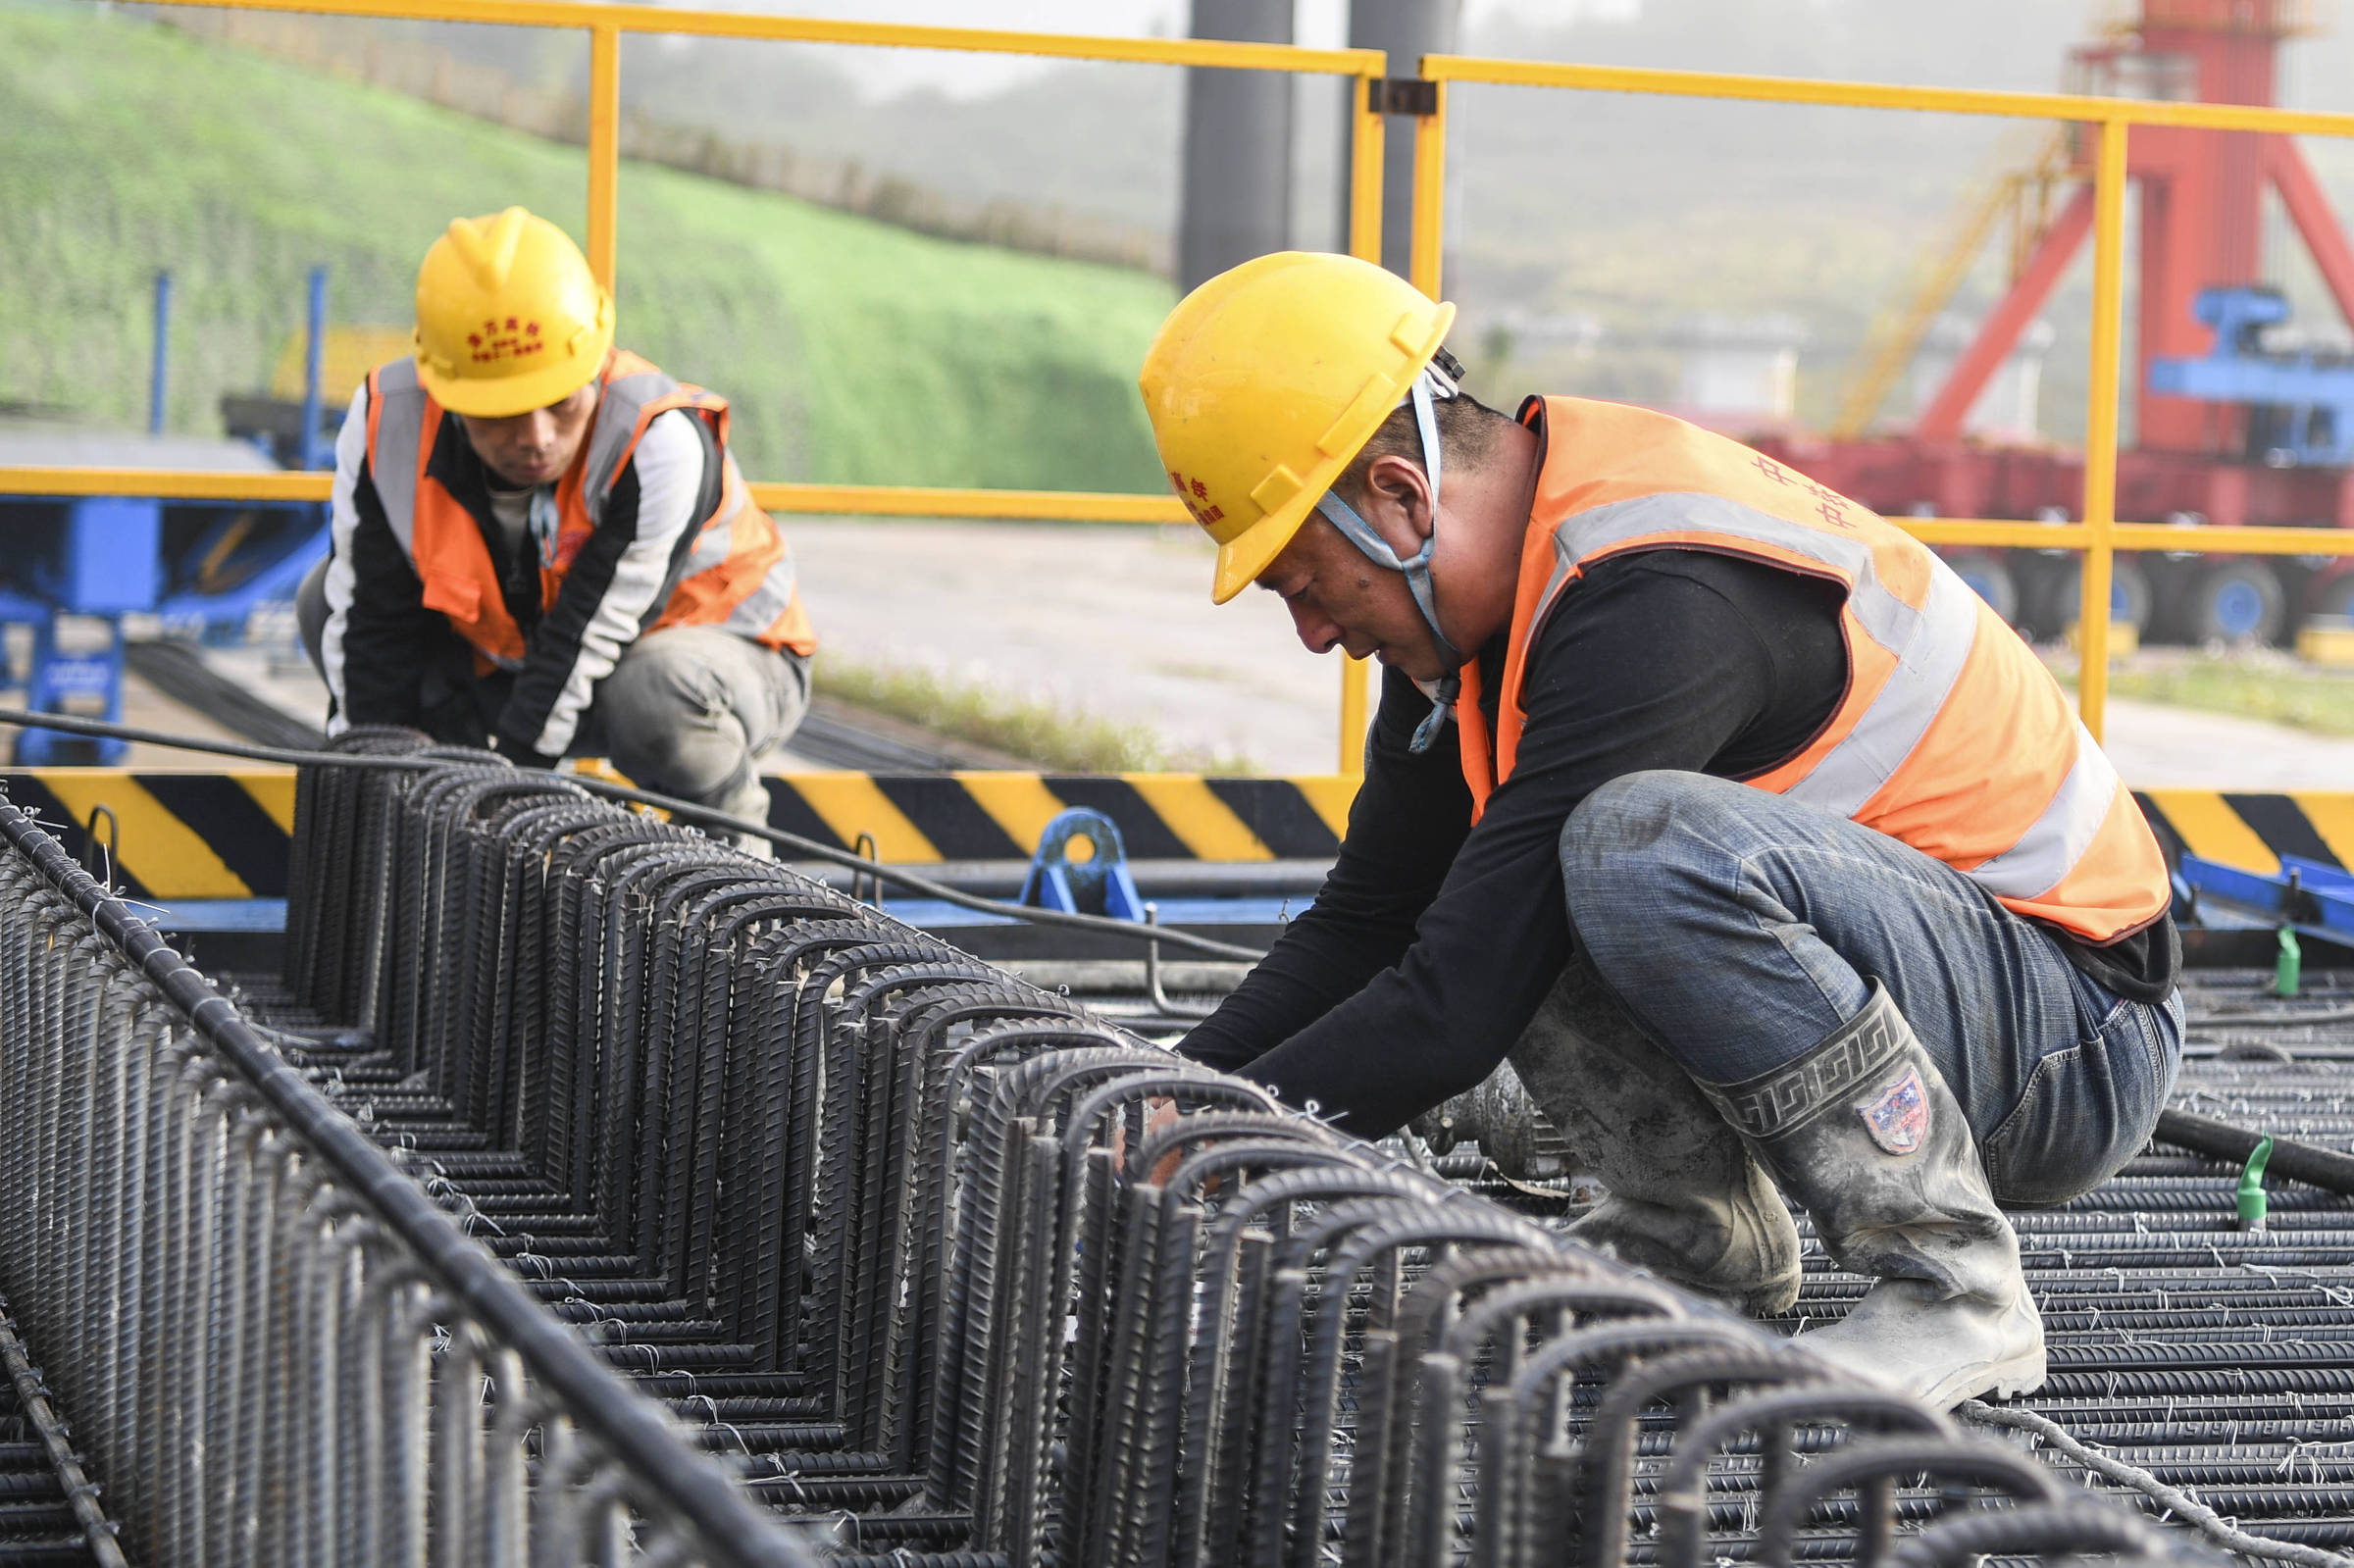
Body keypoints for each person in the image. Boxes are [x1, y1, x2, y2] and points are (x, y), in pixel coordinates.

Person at [1137, 252, 2183, 1409]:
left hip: (2074, 1033)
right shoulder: (1482, 621)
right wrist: (1158, 1092)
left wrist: (1209, 1150)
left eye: (1305, 582)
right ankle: (1700, 1238)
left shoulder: (1652, 599)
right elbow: (1370, 922)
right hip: (1962, 988)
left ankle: (1956, 1286)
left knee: (1630, 842)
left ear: (1400, 499)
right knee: (1523, 861)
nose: (1313, 635)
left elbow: (1457, 1001)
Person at [299, 207, 815, 832]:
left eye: (560, 403)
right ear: (446, 392)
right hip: (524, 659)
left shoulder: (658, 442)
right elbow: (372, 624)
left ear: (593, 359)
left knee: (654, 692)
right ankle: (427, 817)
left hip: (714, 668)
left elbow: (583, 639)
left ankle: (737, 868)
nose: (536, 438)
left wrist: (504, 803)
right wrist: (373, 798)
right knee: (321, 600)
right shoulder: (388, 419)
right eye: (501, 413)